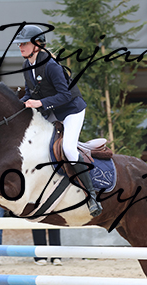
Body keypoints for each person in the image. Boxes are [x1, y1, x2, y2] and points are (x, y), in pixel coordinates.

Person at [13, 24, 102, 217]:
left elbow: (65, 95)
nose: (20, 47)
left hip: (71, 110)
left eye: (24, 43)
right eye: (19, 44)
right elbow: (29, 93)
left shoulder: (51, 66)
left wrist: (39, 103)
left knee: (68, 149)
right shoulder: (27, 66)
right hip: (52, 110)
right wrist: (16, 105)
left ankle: (92, 196)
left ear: (37, 45)